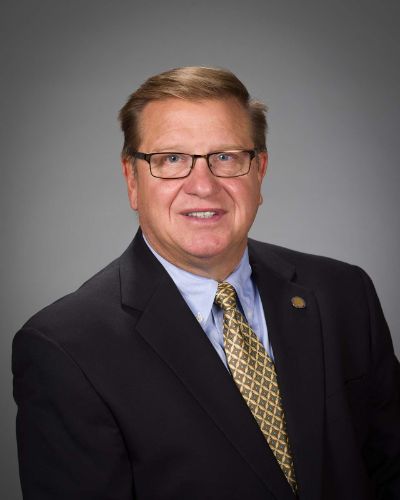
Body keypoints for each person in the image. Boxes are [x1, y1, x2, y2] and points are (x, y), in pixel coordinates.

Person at [12, 66, 400, 500]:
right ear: (132, 180)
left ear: (259, 171)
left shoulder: (343, 293)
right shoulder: (65, 349)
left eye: (226, 157)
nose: (203, 185)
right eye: (171, 159)